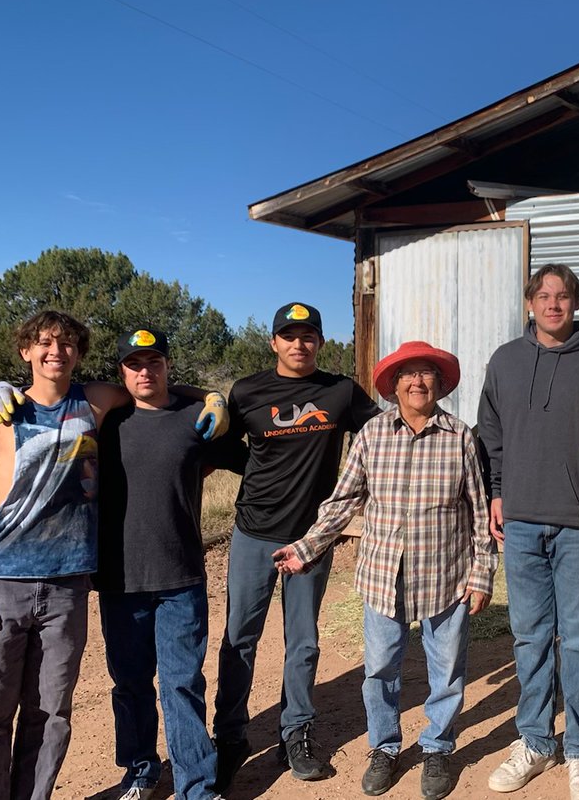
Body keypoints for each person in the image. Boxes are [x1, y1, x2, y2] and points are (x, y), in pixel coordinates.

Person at [0, 315, 227, 800]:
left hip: (88, 583)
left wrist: (214, 396)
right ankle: (132, 773)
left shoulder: (107, 403)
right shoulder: (20, 415)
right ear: (25, 351)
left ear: (79, 354)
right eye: (43, 343)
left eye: (65, 344)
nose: (54, 351)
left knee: (60, 710)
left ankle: (189, 786)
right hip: (26, 581)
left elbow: (162, 390)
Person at [273, 340, 497, 800]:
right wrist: (306, 546)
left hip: (446, 575)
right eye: (408, 375)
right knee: (379, 670)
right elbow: (343, 502)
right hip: (382, 575)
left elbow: (478, 513)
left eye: (426, 374)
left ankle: (437, 747)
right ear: (394, 385)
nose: (418, 382)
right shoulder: (373, 435)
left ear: (440, 383)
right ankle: (386, 747)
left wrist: (481, 574)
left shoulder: (459, 438)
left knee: (448, 670)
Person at [213, 302, 380, 790]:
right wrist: (259, 472)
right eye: (289, 335)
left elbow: (377, 435)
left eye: (308, 336)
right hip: (253, 532)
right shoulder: (247, 391)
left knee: (302, 641)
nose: (298, 344)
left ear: (320, 343)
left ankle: (296, 733)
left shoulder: (340, 391)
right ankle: (229, 737)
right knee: (239, 637)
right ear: (274, 343)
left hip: (311, 538)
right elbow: (223, 444)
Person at [477, 263, 579, 800]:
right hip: (519, 524)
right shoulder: (505, 361)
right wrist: (497, 492)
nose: (553, 304)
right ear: (529, 303)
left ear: (576, 303)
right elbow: (490, 434)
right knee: (530, 637)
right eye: (543, 295)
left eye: (563, 296)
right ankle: (536, 741)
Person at [93, 328, 247, 800]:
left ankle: (195, 787)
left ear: (167, 366)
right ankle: (141, 769)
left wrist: (215, 398)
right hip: (120, 580)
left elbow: (257, 460)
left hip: (181, 577)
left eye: (154, 362)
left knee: (182, 684)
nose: (145, 371)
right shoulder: (105, 422)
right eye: (135, 364)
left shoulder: (195, 419)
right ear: (122, 371)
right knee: (131, 682)